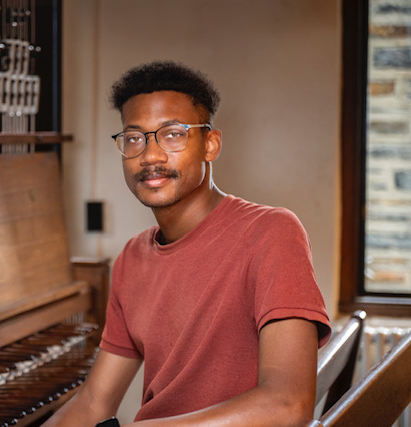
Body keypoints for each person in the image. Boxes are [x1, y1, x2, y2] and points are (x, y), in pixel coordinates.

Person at [43, 61, 331, 427]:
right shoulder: (132, 258)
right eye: (134, 138)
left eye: (173, 134)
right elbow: (93, 404)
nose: (150, 155)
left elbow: (288, 405)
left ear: (210, 144)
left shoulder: (271, 232)